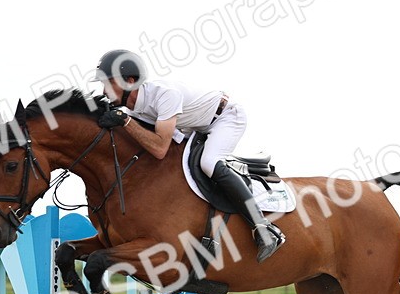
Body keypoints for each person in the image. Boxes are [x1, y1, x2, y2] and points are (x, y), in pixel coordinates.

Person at [92, 49, 285, 263]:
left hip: (225, 118)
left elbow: (159, 148)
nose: (104, 90)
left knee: (209, 163)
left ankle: (264, 229)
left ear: (129, 81)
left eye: (109, 83)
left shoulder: (164, 95)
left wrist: (125, 123)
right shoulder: (132, 107)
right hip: (194, 126)